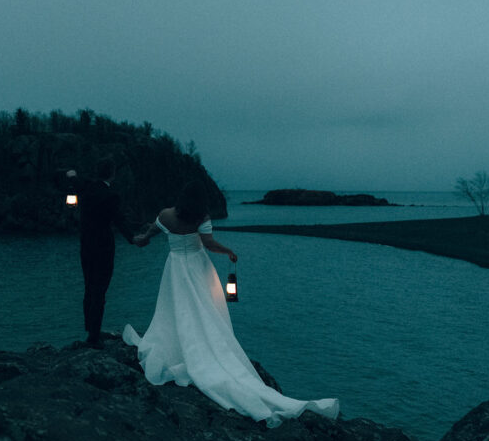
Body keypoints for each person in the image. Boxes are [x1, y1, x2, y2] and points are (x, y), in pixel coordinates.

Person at [124, 181, 339, 427]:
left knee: (177, 309)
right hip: (197, 266)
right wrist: (229, 252)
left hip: (175, 268)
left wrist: (138, 238)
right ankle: (203, 347)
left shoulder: (165, 215)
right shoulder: (201, 216)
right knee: (204, 310)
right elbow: (209, 244)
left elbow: (150, 234)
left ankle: (178, 347)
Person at [66, 158, 136, 349]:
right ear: (112, 173)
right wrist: (133, 238)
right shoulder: (110, 196)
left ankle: (90, 329)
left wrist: (71, 174)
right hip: (103, 248)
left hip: (86, 246)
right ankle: (94, 337)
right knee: (100, 290)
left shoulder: (86, 187)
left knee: (89, 287)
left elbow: (74, 179)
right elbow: (119, 220)